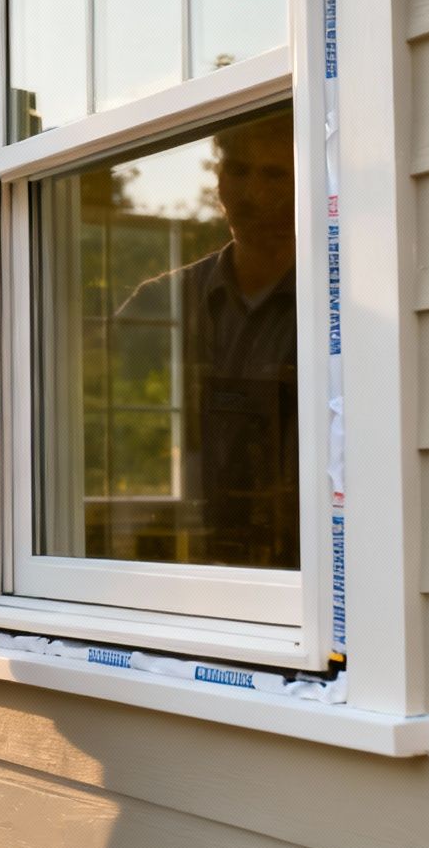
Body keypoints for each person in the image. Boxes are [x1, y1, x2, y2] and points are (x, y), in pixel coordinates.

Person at [114, 108, 298, 567]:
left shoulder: (339, 306)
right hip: (181, 563)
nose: (253, 194)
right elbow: (85, 413)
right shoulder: (159, 304)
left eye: (275, 175)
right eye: (239, 170)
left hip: (305, 571)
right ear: (219, 180)